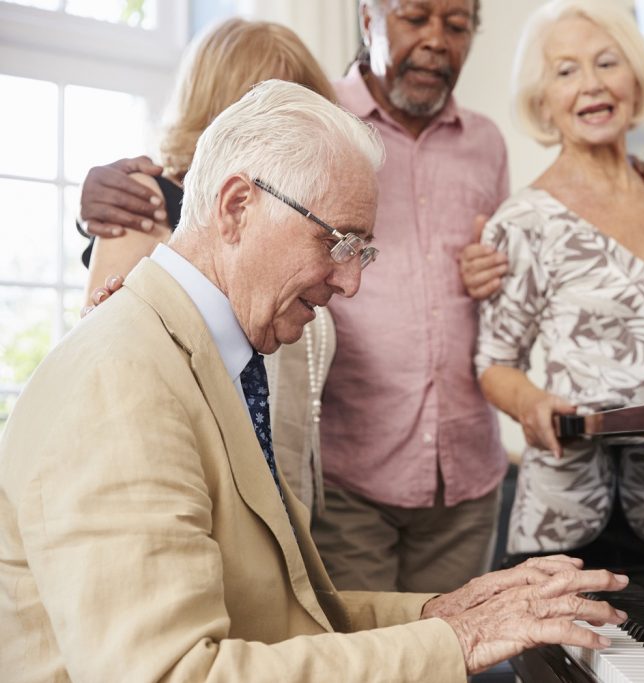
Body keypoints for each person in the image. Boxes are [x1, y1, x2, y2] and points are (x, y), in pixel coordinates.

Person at [0, 79, 629, 683]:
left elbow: (277, 620)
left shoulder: (203, 359)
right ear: (237, 206)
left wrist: (446, 612)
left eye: (362, 251)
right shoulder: (122, 380)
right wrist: (456, 642)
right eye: (337, 241)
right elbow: (170, 674)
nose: (350, 282)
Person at [75, 0, 510, 594]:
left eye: (457, 25)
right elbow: (109, 363)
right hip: (286, 495)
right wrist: (101, 204)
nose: (348, 281)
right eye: (415, 16)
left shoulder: (480, 144)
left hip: (329, 493)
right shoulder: (175, 214)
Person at [473, 0, 644, 555]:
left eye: (607, 62)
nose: (591, 85)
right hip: (563, 513)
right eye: (565, 70)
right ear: (543, 102)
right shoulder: (524, 220)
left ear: (634, 76)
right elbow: (493, 366)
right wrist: (531, 403)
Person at [77, 18, 342, 513]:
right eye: (284, 113)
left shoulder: (289, 222)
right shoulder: (144, 206)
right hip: (197, 498)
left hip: (291, 504)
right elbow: (105, 376)